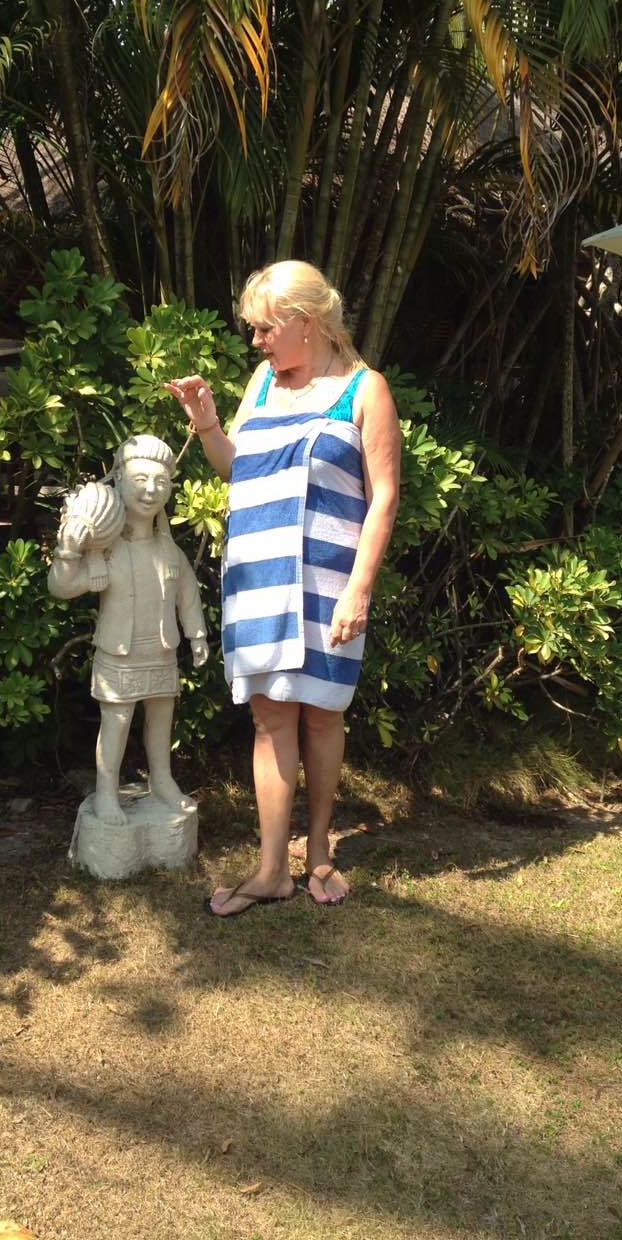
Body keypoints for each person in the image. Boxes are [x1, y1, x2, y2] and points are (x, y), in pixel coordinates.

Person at [164, 260, 400, 915]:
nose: (257, 341)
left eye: (266, 328)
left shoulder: (365, 390)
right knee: (270, 720)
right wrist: (208, 424)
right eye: (255, 330)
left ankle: (318, 851)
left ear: (308, 321)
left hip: (327, 583)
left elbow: (383, 497)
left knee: (322, 715)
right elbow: (236, 467)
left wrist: (359, 589)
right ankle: (271, 869)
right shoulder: (263, 383)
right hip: (260, 579)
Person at [48, 435, 209, 825]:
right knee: (116, 723)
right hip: (119, 653)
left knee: (161, 718)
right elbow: (62, 587)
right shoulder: (103, 550)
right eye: (140, 480)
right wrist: (69, 551)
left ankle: (162, 780)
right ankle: (107, 791)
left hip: (161, 650)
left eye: (160, 482)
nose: (151, 490)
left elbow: (187, 593)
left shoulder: (169, 551)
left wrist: (197, 635)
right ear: (119, 480)